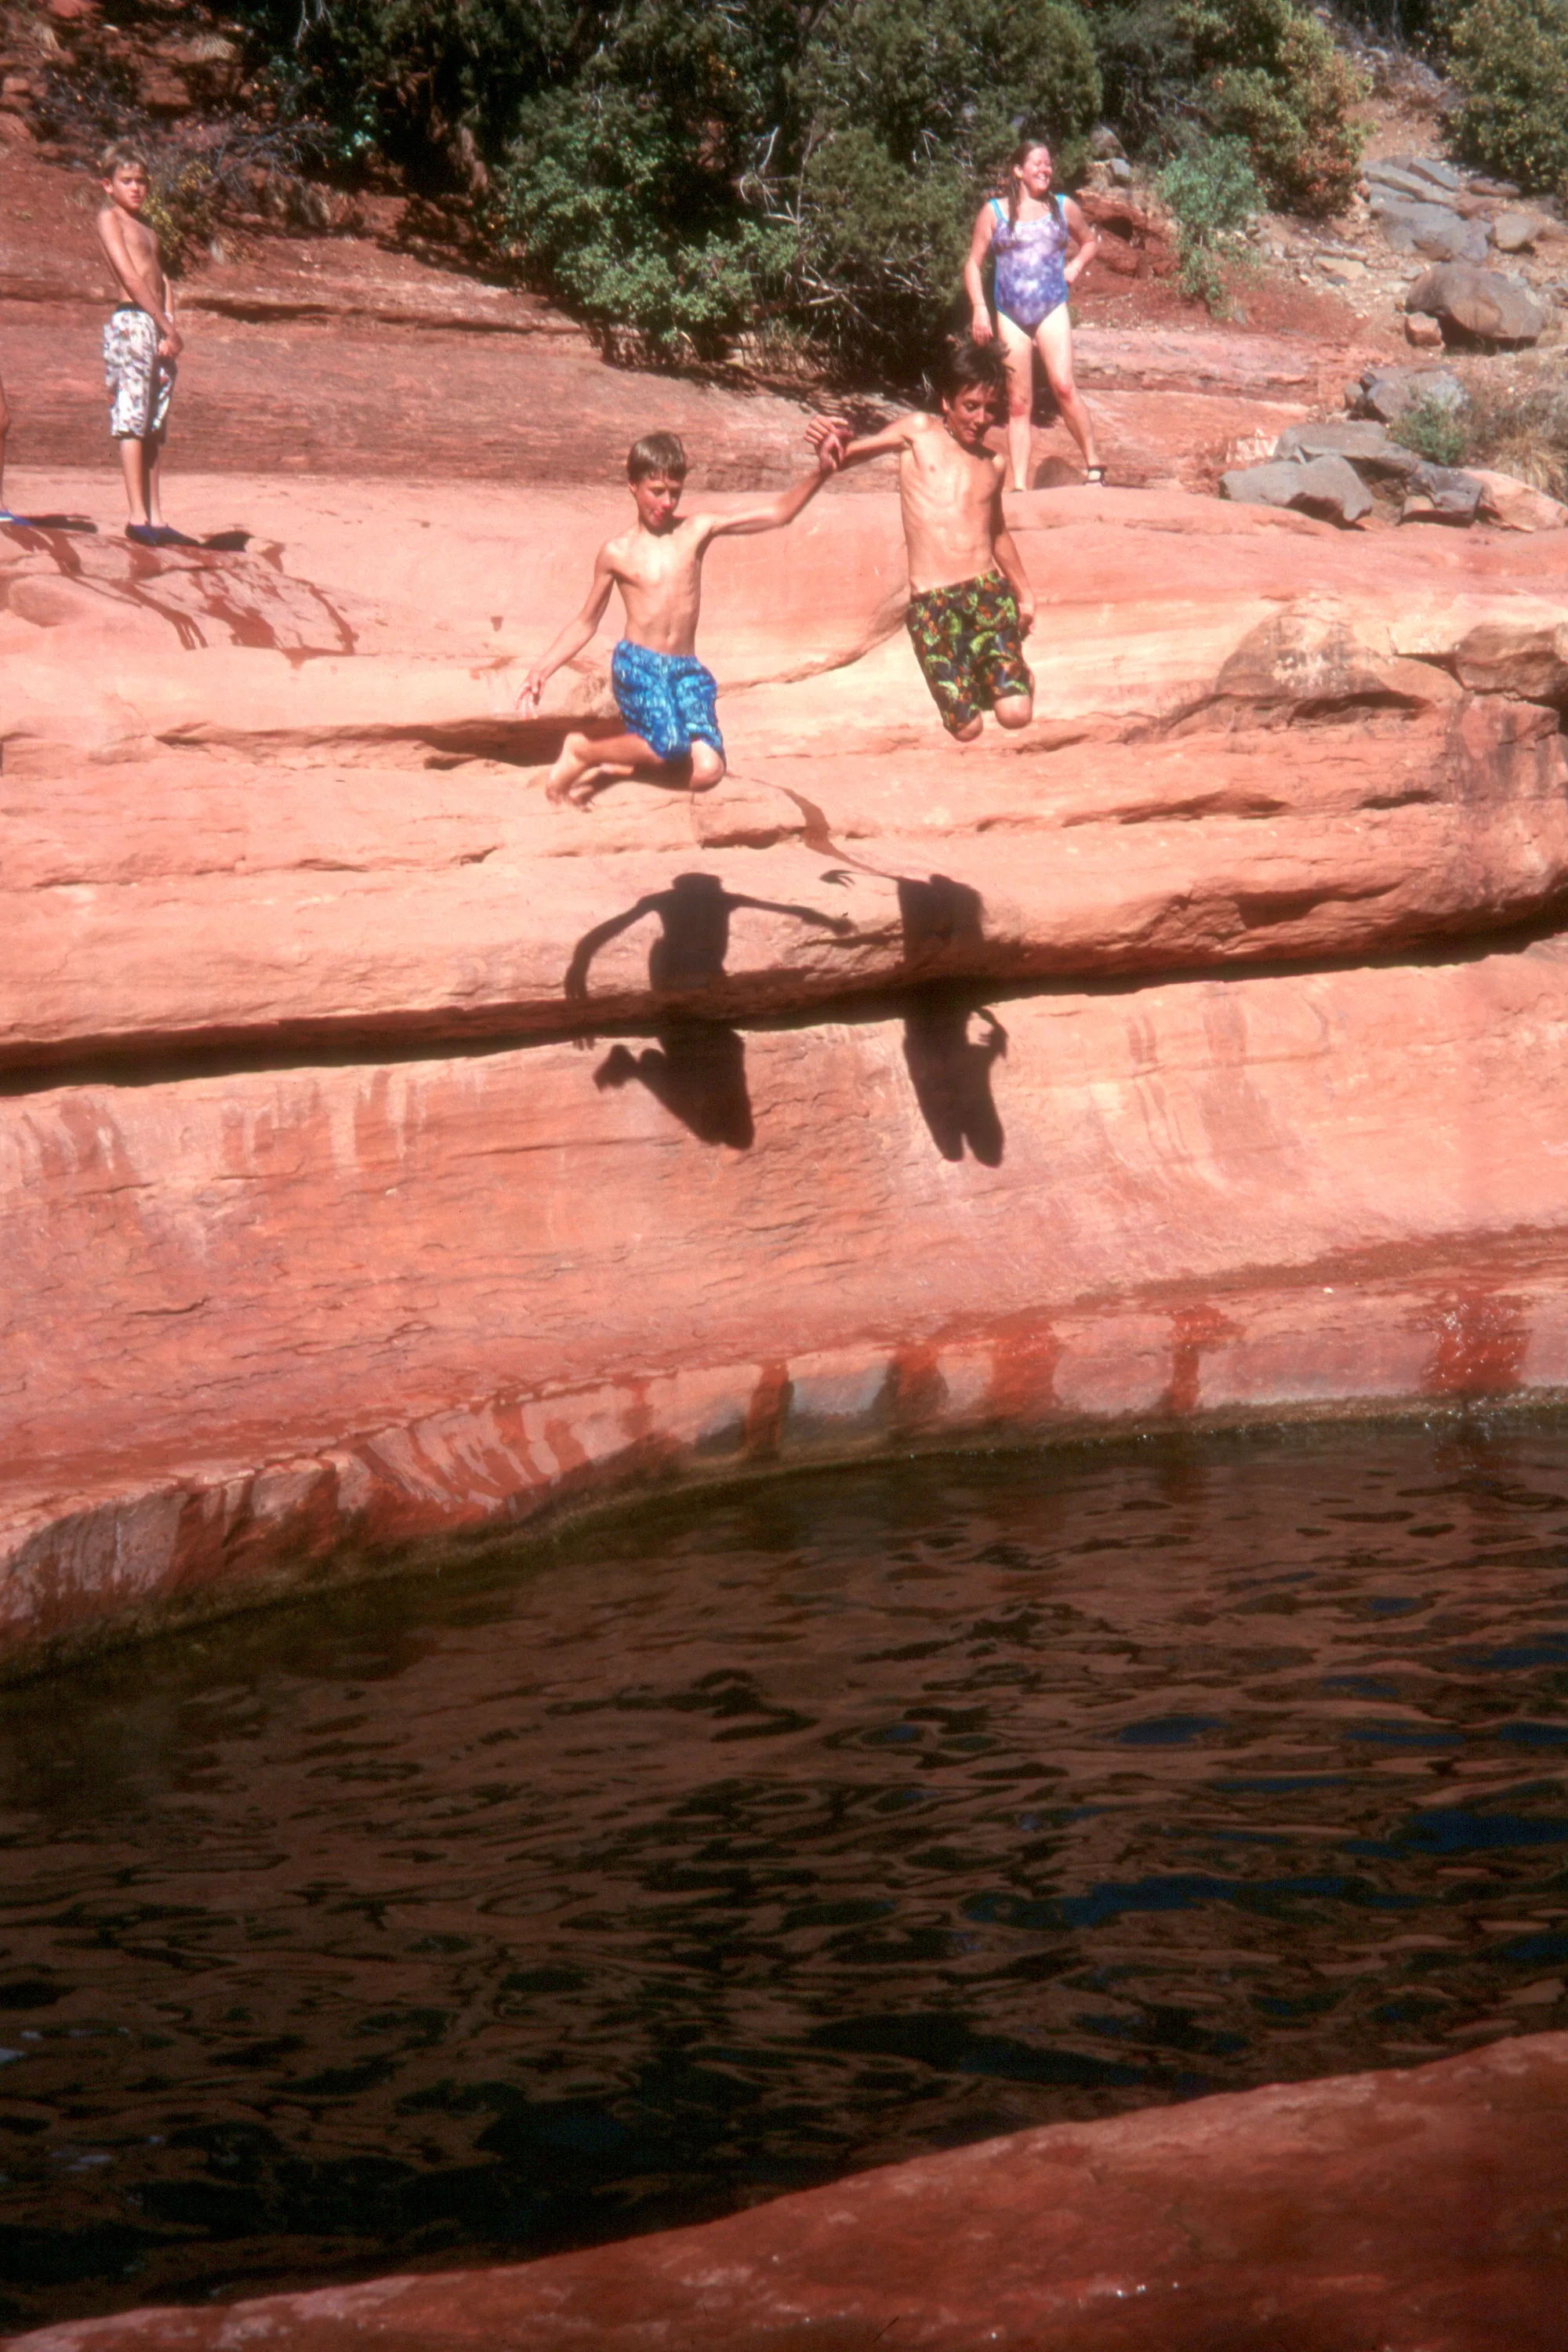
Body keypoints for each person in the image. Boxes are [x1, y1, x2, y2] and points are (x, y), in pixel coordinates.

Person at [521, 428, 842, 807]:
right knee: (668, 745)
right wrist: (542, 669)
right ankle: (582, 751)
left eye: (675, 492)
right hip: (640, 666)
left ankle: (613, 770)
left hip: (685, 669)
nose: (667, 502)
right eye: (657, 491)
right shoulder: (616, 552)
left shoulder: (696, 530)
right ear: (633, 486)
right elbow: (586, 621)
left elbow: (778, 514)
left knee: (708, 770)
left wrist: (822, 471)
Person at [808, 341, 1035, 744]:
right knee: (967, 729)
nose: (981, 418)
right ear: (947, 401)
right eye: (971, 406)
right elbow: (848, 455)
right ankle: (989, 677)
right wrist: (832, 444)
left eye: (991, 408)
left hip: (986, 595)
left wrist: (1025, 592)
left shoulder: (994, 464)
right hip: (934, 604)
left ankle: (1007, 670)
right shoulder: (918, 433)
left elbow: (996, 531)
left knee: (1016, 715)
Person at [964, 136, 1102, 493]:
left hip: (1051, 307)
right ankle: (1021, 487)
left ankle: (1095, 468)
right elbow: (973, 263)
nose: (1045, 169)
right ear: (1018, 170)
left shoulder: (1062, 207)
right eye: (1037, 163)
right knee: (1019, 404)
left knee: (1064, 386)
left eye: (1049, 164)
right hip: (1009, 314)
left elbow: (1090, 241)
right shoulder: (993, 212)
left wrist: (1074, 267)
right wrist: (979, 308)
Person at [95, 141, 194, 549]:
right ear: (108, 184)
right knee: (132, 416)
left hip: (157, 326)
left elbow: (162, 278)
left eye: (141, 181)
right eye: (126, 180)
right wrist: (163, 325)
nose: (135, 188)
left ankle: (156, 516)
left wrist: (171, 325)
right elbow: (132, 279)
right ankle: (136, 517)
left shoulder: (150, 229)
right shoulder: (109, 219)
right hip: (133, 321)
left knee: (155, 420)